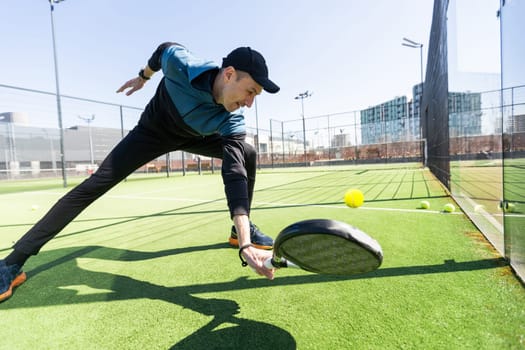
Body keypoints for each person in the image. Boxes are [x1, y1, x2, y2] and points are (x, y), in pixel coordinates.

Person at [0, 42, 279, 302]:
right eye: (251, 91)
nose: (250, 102)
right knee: (95, 184)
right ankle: (13, 262)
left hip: (195, 136)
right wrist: (143, 77)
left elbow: (234, 173)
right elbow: (163, 50)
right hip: (153, 133)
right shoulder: (181, 64)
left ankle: (240, 230)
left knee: (247, 152)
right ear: (229, 74)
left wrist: (244, 242)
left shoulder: (233, 116)